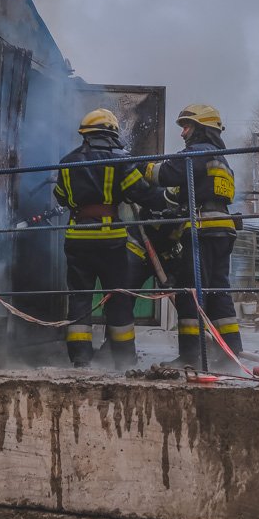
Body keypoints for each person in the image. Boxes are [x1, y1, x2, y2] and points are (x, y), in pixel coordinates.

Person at [54, 109, 165, 369]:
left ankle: (81, 358)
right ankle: (124, 358)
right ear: (110, 134)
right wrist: (166, 200)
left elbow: (60, 197)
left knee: (80, 297)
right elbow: (139, 192)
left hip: (76, 237)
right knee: (118, 297)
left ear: (86, 135)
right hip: (110, 240)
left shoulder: (66, 162)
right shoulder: (119, 161)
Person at [146, 104, 244, 370]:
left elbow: (166, 173)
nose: (183, 134)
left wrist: (141, 167)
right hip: (222, 228)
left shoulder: (196, 153)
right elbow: (187, 191)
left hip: (203, 228)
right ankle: (231, 353)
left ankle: (191, 357)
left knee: (191, 290)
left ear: (201, 129)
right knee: (218, 290)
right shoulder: (221, 158)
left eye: (186, 127)